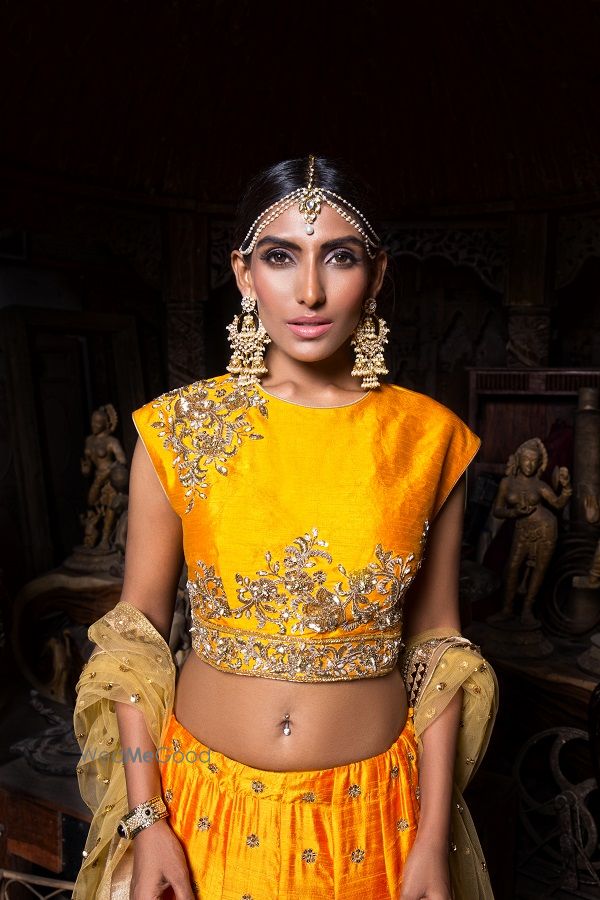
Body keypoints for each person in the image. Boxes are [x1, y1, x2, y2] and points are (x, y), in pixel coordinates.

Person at [73, 155, 498, 900]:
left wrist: (431, 840)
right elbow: (134, 638)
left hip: (377, 823)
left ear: (377, 273)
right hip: (201, 814)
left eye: (339, 257)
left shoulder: (427, 440)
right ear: (244, 275)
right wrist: (148, 820)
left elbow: (439, 652)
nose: (309, 291)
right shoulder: (176, 430)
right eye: (280, 257)